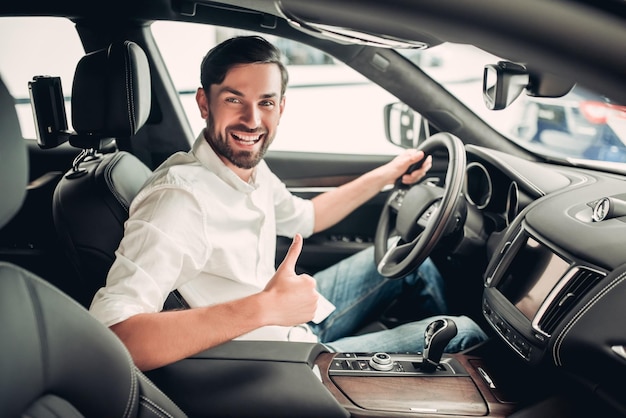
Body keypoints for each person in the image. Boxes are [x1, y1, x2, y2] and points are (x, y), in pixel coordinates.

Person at [89, 35, 487, 371]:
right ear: (204, 104)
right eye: (233, 100)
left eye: (265, 102)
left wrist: (389, 173)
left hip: (288, 320)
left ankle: (407, 388)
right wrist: (265, 308)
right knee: (465, 331)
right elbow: (116, 339)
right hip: (279, 361)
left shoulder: (247, 171)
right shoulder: (179, 198)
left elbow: (308, 216)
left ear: (281, 108)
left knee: (407, 265)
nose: (252, 120)